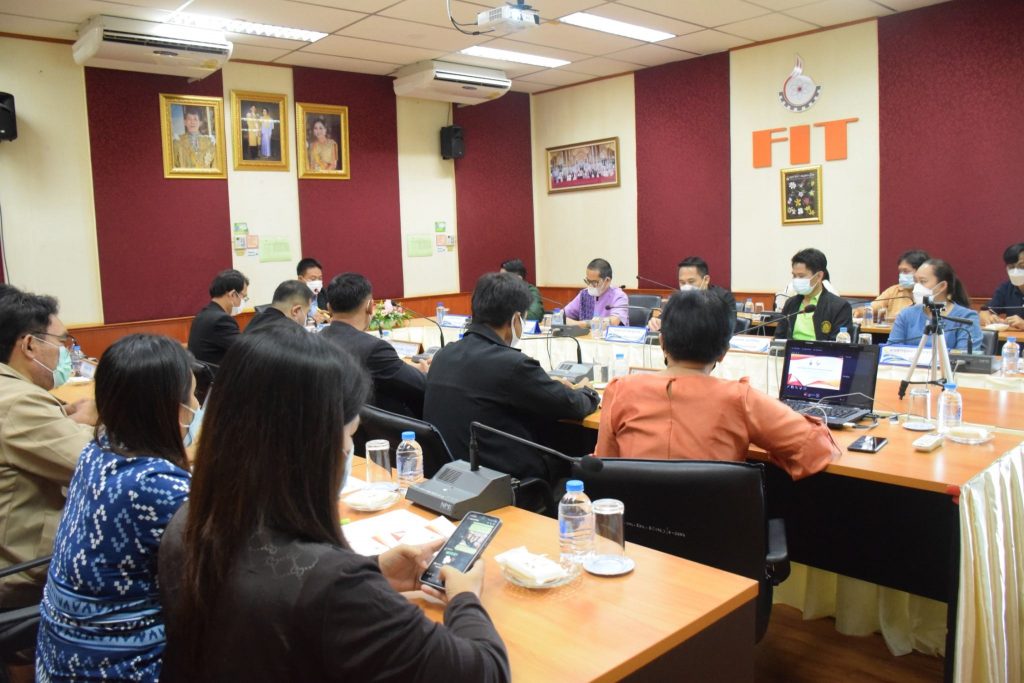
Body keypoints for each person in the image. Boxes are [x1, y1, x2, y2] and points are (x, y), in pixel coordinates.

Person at [158, 327, 509, 682]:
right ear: (314, 448)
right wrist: (465, 598)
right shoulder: (335, 588)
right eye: (349, 434)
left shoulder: (188, 524)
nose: (347, 450)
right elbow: (485, 672)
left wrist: (374, 570)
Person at [35, 335, 196, 683]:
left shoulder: (97, 450)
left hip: (59, 658)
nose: (196, 405)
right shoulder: (157, 487)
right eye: (192, 396)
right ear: (170, 408)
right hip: (117, 667)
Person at [597, 290, 839, 479]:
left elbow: (604, 468)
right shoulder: (740, 398)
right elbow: (814, 448)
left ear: (662, 342)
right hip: (717, 526)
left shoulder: (620, 390)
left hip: (634, 527)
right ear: (723, 352)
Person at [424, 273, 600, 482]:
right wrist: (588, 391)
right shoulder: (512, 365)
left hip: (448, 477)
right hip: (504, 483)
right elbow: (572, 405)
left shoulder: (443, 355)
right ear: (516, 319)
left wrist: (548, 386)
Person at [0, 287, 95, 610]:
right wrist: (92, 420)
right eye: (60, 342)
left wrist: (64, 419)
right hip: (23, 577)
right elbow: (93, 464)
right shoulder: (18, 402)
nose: (63, 352)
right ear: (29, 344)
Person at [320, 273, 427, 418]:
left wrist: (411, 368)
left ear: (329, 308)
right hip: (380, 428)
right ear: (370, 306)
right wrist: (424, 372)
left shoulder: (316, 339)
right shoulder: (375, 348)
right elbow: (421, 385)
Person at [889, 258, 983, 353]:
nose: (917, 287)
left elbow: (964, 357)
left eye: (923, 281)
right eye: (916, 281)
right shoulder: (906, 314)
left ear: (942, 286)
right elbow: (891, 351)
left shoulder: (966, 317)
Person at [774, 248, 852, 342]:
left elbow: (838, 345)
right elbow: (779, 338)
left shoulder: (839, 307)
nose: (796, 280)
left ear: (819, 276)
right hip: (792, 350)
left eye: (801, 276)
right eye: (794, 276)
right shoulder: (791, 303)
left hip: (821, 351)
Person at [648, 256, 736, 332]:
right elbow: (664, 318)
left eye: (691, 281)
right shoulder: (678, 298)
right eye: (682, 282)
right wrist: (657, 322)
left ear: (706, 280)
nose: (686, 286)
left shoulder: (723, 297)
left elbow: (730, 327)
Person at [187, 269, 249, 367]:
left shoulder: (203, 314)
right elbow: (246, 350)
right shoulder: (221, 320)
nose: (244, 301)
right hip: (219, 375)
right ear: (233, 294)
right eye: (244, 297)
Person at [563, 258, 629, 327]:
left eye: (594, 282)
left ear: (607, 280)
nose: (590, 285)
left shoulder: (619, 296)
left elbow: (614, 322)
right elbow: (562, 316)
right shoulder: (584, 294)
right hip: (586, 334)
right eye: (588, 281)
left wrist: (583, 324)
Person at [871, 249, 929, 322]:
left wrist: (903, 316)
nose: (901, 275)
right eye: (900, 271)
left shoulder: (930, 292)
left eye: (905, 271)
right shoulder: (894, 290)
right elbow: (873, 307)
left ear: (920, 271)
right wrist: (860, 311)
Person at [981, 242, 1024, 330]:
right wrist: (990, 318)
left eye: (1021, 266)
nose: (1016, 271)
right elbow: (985, 312)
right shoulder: (1005, 288)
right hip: (1012, 338)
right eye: (1011, 267)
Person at [244, 280, 313, 334]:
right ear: (296, 311)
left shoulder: (255, 320)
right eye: (307, 312)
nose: (307, 317)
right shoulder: (292, 334)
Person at [297, 256, 329, 323]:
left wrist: (331, 318)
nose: (317, 282)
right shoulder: (292, 298)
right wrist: (311, 321)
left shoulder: (325, 294)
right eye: (313, 279)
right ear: (300, 279)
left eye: (320, 278)